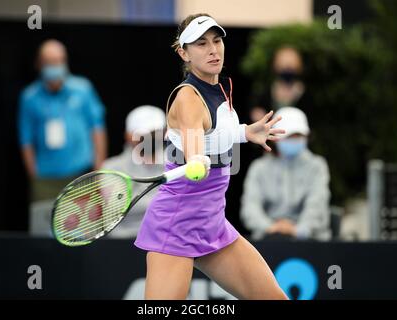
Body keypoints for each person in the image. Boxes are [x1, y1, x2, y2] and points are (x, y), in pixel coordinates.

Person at [134, 13, 288, 300]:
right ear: (184, 53)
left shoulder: (221, 87)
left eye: (217, 41)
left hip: (212, 223)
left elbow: (213, 131)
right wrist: (195, 159)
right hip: (177, 226)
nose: (213, 49)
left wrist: (244, 132)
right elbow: (194, 138)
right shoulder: (188, 98)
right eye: (201, 44)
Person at [18, 39, 107, 235]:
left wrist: (98, 169)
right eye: (50, 61)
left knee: (84, 232)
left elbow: (97, 129)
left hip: (81, 174)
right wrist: (34, 174)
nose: (55, 66)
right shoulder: (30, 97)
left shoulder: (82, 89)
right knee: (46, 233)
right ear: (39, 64)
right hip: (46, 178)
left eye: (59, 60)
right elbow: (25, 140)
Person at [240, 107, 331, 241]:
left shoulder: (317, 166)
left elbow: (317, 205)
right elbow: (250, 208)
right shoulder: (259, 168)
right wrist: (270, 228)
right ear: (275, 137)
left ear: (306, 136)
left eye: (298, 136)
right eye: (288, 136)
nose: (294, 140)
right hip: (268, 239)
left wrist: (298, 230)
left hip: (311, 240)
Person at [102, 105, 166, 238]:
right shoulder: (111, 167)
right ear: (128, 135)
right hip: (123, 242)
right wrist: (167, 201)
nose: (149, 138)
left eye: (154, 132)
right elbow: (118, 208)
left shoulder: (177, 164)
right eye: (142, 133)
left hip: (164, 240)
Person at [250, 46, 306, 122]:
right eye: (284, 64)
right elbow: (256, 112)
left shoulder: (304, 92)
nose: (287, 67)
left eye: (290, 65)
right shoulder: (265, 91)